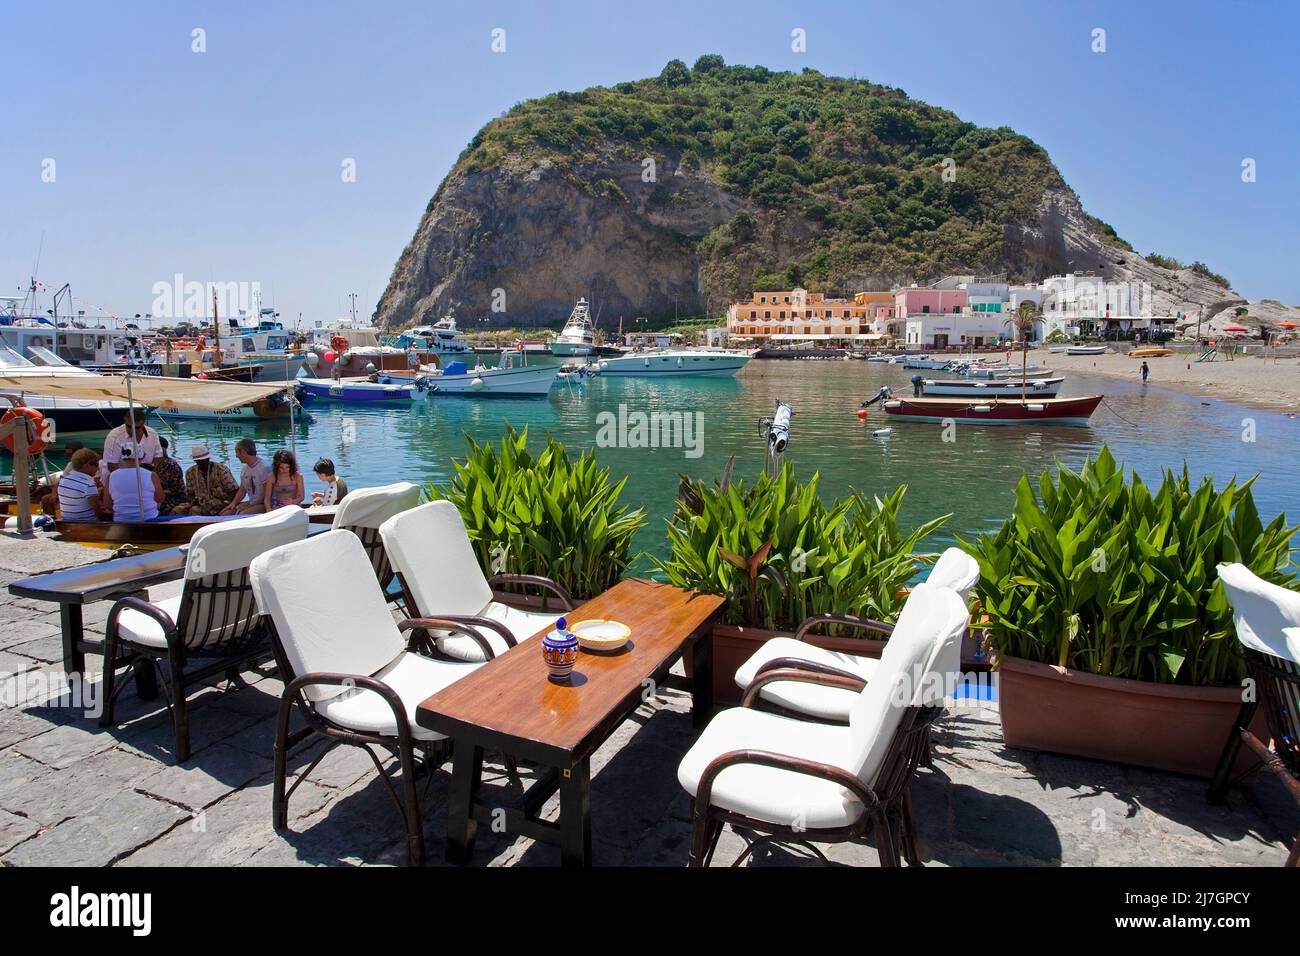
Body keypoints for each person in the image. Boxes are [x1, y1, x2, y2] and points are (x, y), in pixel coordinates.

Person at [102, 446, 163, 521]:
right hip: (149, 519)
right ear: (142, 457)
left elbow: (107, 504)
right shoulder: (151, 475)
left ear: (122, 457)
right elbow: (160, 498)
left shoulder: (111, 476)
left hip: (121, 521)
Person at [179, 444, 238, 515]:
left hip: (221, 502)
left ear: (208, 458)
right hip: (200, 503)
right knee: (178, 510)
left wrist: (224, 502)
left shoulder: (221, 469)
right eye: (199, 461)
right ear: (195, 461)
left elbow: (234, 491)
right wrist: (194, 501)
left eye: (204, 460)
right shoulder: (190, 472)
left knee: (195, 511)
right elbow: (190, 493)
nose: (202, 462)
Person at [220, 438, 271, 515]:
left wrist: (249, 506)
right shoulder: (244, 470)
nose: (236, 456)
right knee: (224, 513)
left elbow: (266, 494)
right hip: (252, 502)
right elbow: (242, 490)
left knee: (242, 514)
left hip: (263, 503)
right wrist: (233, 504)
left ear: (243, 452)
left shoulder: (265, 468)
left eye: (237, 453)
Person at [55, 448, 108, 520]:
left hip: (67, 523)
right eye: (96, 465)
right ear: (86, 465)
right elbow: (99, 514)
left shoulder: (63, 481)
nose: (98, 468)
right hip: (88, 525)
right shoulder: (88, 485)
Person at [153, 436, 188, 515]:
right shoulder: (151, 464)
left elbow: (175, 489)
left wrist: (154, 494)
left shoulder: (171, 465)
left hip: (174, 498)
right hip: (157, 497)